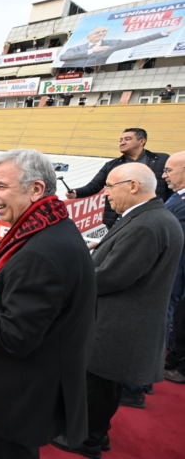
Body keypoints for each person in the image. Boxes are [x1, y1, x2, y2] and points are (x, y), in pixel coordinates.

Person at [0, 149, 96, 459]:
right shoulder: (48, 229)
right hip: (14, 399)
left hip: (10, 405)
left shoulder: (41, 252)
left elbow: (15, 335)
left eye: (1, 186)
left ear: (36, 189)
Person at [63, 163, 183, 458]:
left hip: (118, 324)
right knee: (105, 385)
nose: (105, 194)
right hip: (124, 322)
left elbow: (112, 276)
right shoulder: (150, 217)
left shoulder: (147, 224)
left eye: (110, 187)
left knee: (99, 385)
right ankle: (97, 433)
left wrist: (71, 275)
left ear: (132, 186)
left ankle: (86, 439)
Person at [66, 128, 171, 228]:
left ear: (142, 141)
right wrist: (76, 192)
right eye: (120, 140)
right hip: (118, 220)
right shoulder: (111, 165)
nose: (122, 142)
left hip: (154, 216)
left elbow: (172, 188)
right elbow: (94, 186)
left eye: (127, 139)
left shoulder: (162, 159)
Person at [58, 24, 184, 67]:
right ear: (88, 36)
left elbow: (137, 41)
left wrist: (165, 32)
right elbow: (63, 57)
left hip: (93, 75)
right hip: (69, 76)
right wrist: (91, 51)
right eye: (97, 32)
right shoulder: (75, 48)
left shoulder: (113, 43)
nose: (101, 34)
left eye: (104, 32)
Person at [162, 151, 185, 383]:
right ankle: (175, 357)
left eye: (169, 170)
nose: (164, 175)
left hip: (177, 275)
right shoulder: (177, 198)